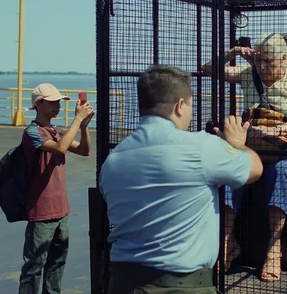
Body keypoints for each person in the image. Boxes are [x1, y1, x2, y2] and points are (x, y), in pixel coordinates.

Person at [99, 65, 263, 294]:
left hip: (122, 283)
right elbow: (254, 169)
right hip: (180, 286)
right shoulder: (201, 147)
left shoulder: (113, 161)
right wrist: (235, 143)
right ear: (179, 106)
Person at [201, 32, 287, 282]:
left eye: (269, 62)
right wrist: (232, 53)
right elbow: (207, 70)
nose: (262, 67)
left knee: (282, 173)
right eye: (259, 61)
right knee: (232, 172)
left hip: (285, 148)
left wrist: (275, 131)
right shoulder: (248, 73)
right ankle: (228, 242)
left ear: (284, 59)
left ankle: (274, 248)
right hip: (253, 147)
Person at [19, 83, 95, 294]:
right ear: (38, 104)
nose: (57, 106)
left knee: (56, 264)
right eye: (52, 102)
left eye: (59, 102)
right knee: (34, 266)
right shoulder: (33, 133)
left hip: (61, 210)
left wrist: (83, 126)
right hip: (42, 211)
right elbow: (60, 148)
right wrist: (77, 119)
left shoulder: (56, 131)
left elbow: (84, 151)